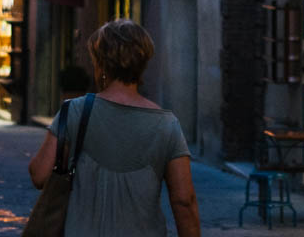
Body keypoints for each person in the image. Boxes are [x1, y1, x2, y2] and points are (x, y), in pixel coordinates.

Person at [27, 18, 200, 237]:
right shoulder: (167, 124)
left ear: (100, 63)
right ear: (144, 62)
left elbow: (39, 175)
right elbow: (184, 200)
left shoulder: (75, 112)